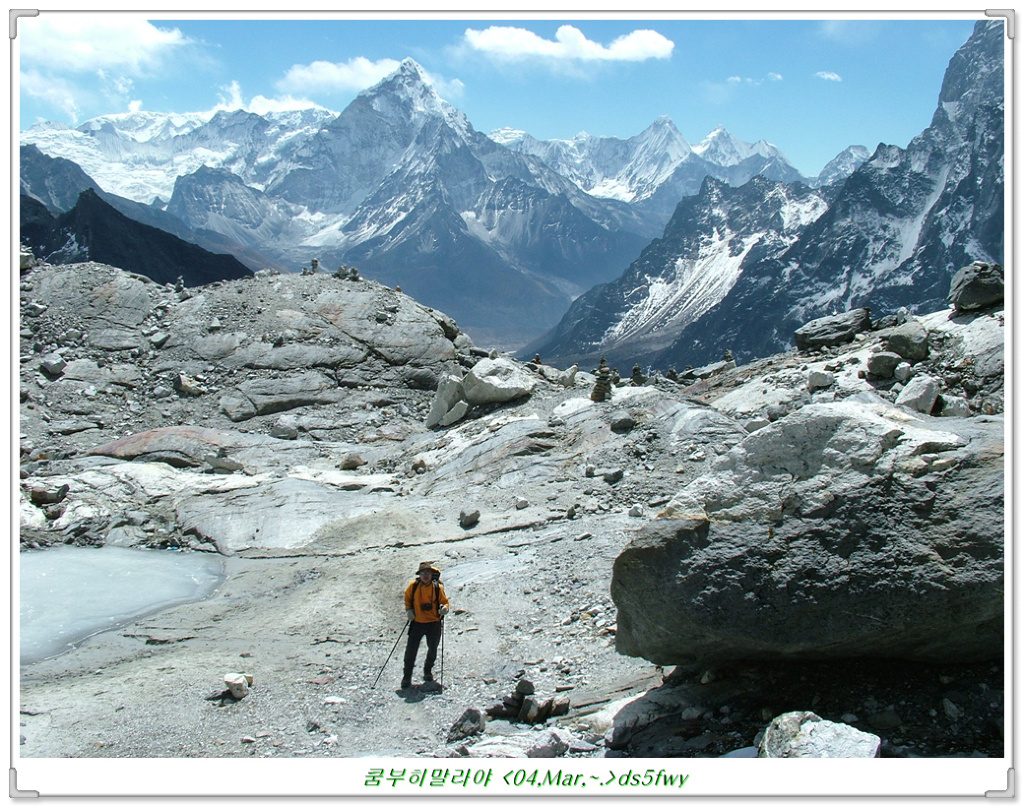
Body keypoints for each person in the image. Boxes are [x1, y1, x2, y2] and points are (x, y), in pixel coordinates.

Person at [401, 561, 450, 689]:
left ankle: (427, 671)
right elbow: (407, 598)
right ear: (419, 575)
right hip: (417, 623)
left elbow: (445, 602)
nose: (425, 575)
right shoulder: (413, 586)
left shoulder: (437, 588)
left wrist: (444, 608)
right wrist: (409, 610)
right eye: (423, 573)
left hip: (434, 623)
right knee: (411, 651)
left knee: (433, 649)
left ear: (431, 574)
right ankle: (407, 677)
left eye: (428, 573)